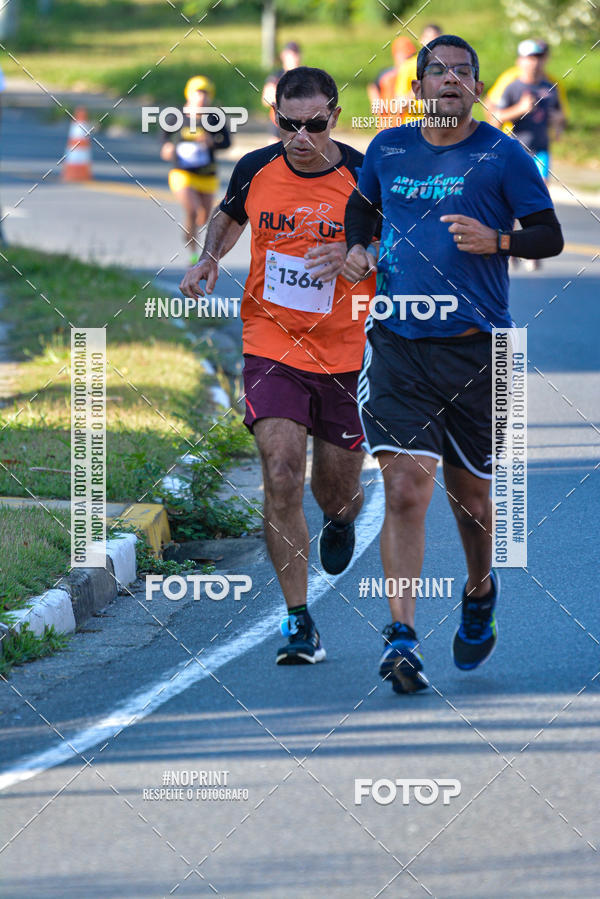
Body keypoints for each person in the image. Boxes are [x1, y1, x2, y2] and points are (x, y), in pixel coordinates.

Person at [343, 34, 563, 693]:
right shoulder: (388, 148)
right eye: (435, 72)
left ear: (475, 88)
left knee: (472, 502)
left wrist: (498, 239)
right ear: (416, 89)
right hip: (399, 343)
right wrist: (360, 246)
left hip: (478, 347)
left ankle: (478, 588)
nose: (448, 81)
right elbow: (363, 203)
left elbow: (548, 232)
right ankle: (403, 635)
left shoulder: (503, 153)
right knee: (406, 487)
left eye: (461, 73)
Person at [180, 66, 377, 666]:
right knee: (282, 470)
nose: (301, 136)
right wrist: (210, 257)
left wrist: (358, 255)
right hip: (272, 341)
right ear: (277, 120)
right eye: (289, 124)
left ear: (334, 117)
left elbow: (395, 242)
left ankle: (342, 519)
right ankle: (298, 621)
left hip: (345, 350)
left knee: (335, 491)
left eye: (314, 125)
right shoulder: (256, 166)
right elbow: (231, 213)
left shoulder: (364, 174)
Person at [161, 75, 231, 264]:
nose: (201, 97)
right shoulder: (176, 116)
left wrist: (212, 143)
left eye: (205, 94)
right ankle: (193, 253)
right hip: (182, 173)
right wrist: (166, 147)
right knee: (192, 210)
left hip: (207, 174)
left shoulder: (214, 119)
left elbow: (226, 142)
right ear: (189, 94)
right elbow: (164, 137)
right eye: (198, 93)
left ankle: (190, 232)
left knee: (203, 218)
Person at [486, 39, 569, 139]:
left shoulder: (552, 83)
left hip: (540, 145)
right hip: (513, 141)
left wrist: (557, 122)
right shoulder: (511, 79)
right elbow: (490, 103)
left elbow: (561, 114)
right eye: (532, 57)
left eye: (540, 56)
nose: (536, 62)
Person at [367, 36, 416, 128]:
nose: (407, 61)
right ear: (396, 55)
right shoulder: (386, 75)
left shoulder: (413, 76)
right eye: (404, 56)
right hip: (386, 125)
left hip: (404, 126)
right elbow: (373, 87)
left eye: (410, 57)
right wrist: (376, 102)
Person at [262, 41, 302, 137]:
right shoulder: (275, 77)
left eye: (295, 54)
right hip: (278, 125)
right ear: (283, 55)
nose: (294, 57)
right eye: (290, 54)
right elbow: (266, 99)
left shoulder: (306, 77)